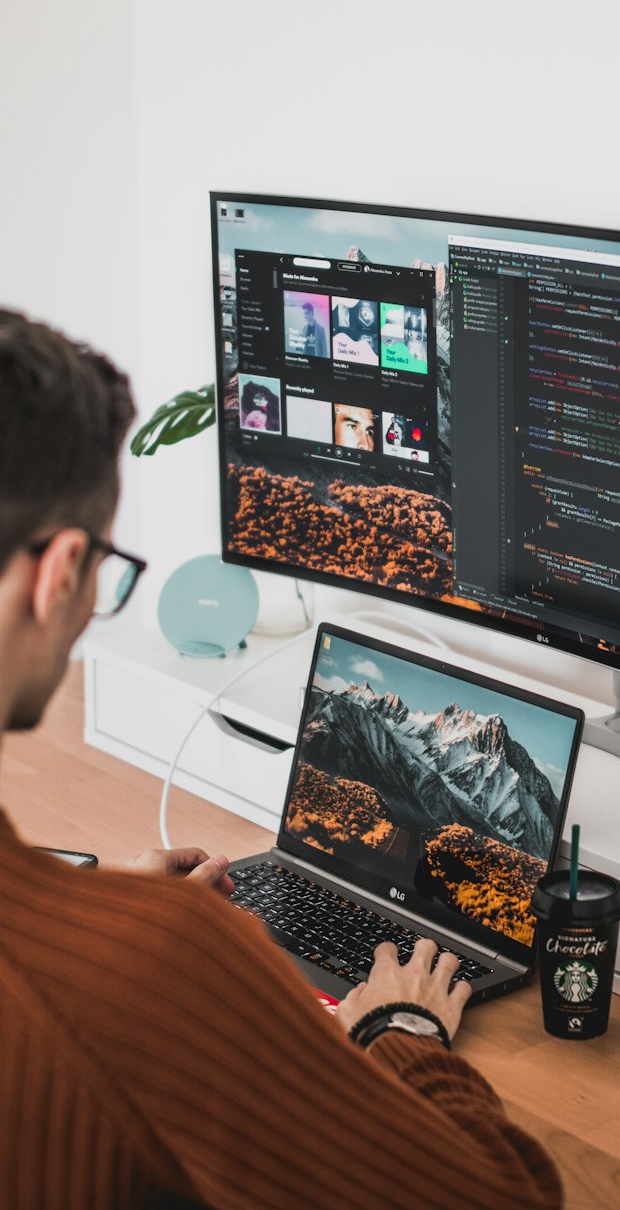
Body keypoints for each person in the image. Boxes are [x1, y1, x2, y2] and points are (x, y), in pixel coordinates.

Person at [0, 309, 562, 1210]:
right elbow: (503, 1198)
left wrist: (112, 918)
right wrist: (404, 1027)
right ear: (60, 570)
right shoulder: (154, 960)